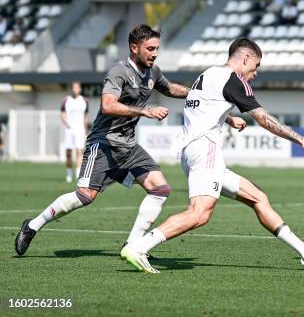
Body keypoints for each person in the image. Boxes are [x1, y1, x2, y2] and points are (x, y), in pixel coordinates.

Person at [121, 37, 304, 274]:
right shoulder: (234, 80)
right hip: (205, 149)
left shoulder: (208, 74)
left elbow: (205, 106)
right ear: (246, 58)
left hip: (193, 150)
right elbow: (264, 119)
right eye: (256, 66)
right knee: (200, 213)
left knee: (258, 198)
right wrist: (302, 140)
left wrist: (228, 118)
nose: (256, 72)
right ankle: (139, 247)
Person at [14, 24, 200, 256]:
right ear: (134, 47)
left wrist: (198, 92)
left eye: (157, 49)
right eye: (150, 48)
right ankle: (32, 226)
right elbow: (107, 105)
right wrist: (145, 111)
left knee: (160, 189)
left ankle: (133, 245)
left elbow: (170, 88)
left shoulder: (153, 72)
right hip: (104, 144)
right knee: (84, 196)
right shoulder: (119, 71)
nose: (155, 53)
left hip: (128, 147)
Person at [60, 82, 89, 182]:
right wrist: (67, 124)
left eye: (77, 87)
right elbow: (62, 114)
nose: (75, 89)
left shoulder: (84, 101)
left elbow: (85, 117)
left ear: (80, 89)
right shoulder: (66, 100)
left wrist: (85, 130)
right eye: (73, 87)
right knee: (68, 152)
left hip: (80, 130)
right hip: (69, 129)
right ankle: (68, 172)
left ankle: (78, 173)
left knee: (79, 151)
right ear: (71, 89)